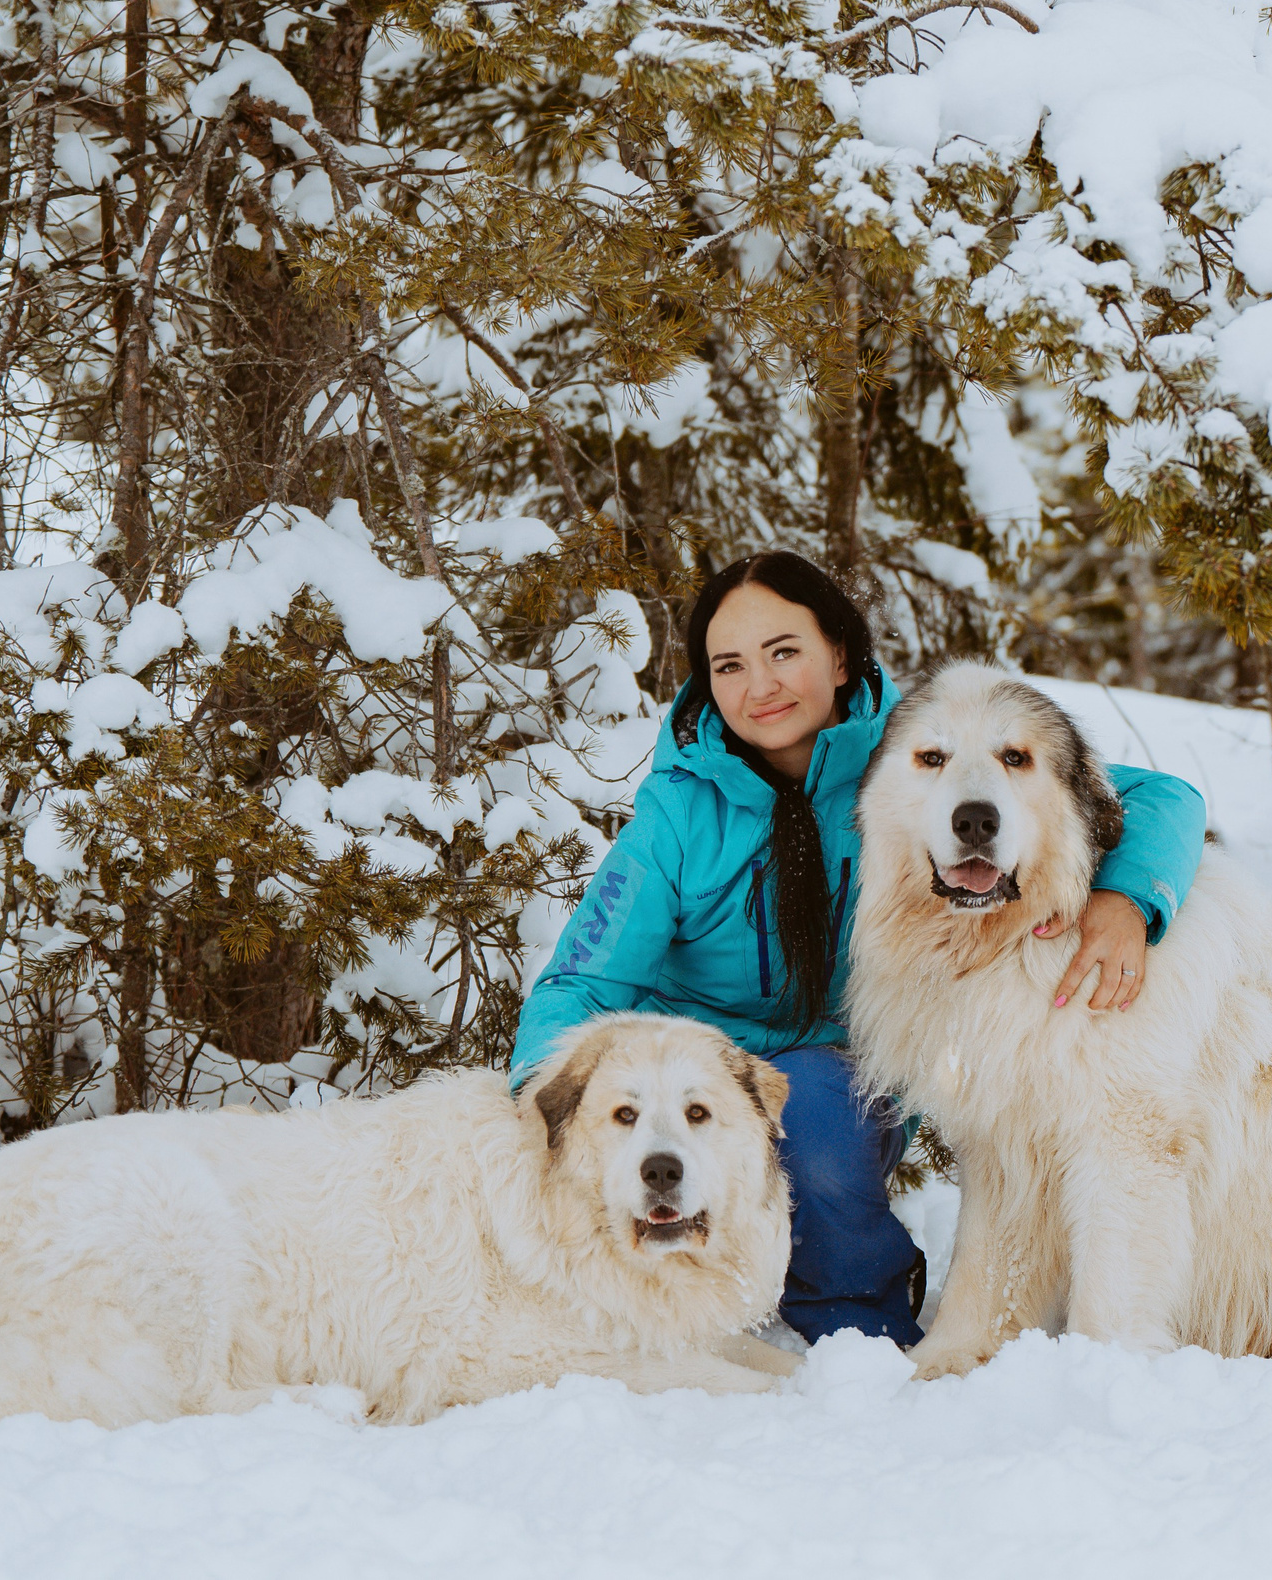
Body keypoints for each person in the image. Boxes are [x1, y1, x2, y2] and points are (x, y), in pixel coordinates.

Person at [511, 553, 1209, 1346]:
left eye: (785, 652)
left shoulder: (914, 756)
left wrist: (1128, 897)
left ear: (839, 656)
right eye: (729, 666)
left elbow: (1163, 798)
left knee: (821, 1110)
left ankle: (855, 1331)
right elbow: (581, 981)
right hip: (703, 1072)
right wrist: (541, 1104)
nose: (760, 686)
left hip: (842, 1077)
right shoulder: (678, 818)